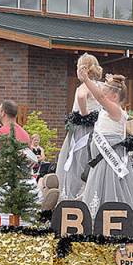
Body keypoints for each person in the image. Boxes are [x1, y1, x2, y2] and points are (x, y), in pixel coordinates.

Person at [77, 74, 133, 223]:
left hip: (111, 160)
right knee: (99, 186)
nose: (102, 93)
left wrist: (86, 80)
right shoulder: (107, 110)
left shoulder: (115, 110)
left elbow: (100, 98)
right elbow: (100, 96)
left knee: (112, 187)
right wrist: (107, 81)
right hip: (101, 159)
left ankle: (114, 221)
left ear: (114, 96)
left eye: (106, 91)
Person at [57, 53, 104, 200]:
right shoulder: (101, 86)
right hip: (97, 129)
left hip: (82, 131)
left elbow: (81, 96)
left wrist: (84, 113)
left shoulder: (84, 86)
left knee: (76, 164)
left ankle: (73, 196)